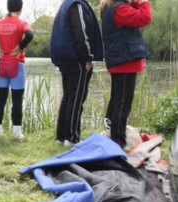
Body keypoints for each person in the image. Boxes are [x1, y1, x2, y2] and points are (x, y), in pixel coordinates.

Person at [50, 0, 103, 146]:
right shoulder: (77, 5)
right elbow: (81, 32)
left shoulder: (65, 5)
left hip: (65, 59)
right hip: (76, 59)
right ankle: (72, 138)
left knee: (68, 98)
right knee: (76, 99)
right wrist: (87, 57)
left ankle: (61, 137)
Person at [0, 0, 33, 139]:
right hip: (16, 65)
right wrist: (20, 47)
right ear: (20, 9)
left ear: (8, 8)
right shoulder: (21, 23)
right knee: (17, 100)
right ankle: (16, 133)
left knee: (1, 99)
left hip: (2, 66)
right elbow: (30, 35)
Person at [100, 0, 151, 148]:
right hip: (124, 63)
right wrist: (142, 1)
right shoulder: (120, 10)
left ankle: (112, 135)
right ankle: (118, 142)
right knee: (122, 105)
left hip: (121, 62)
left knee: (118, 102)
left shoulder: (113, 8)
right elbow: (145, 17)